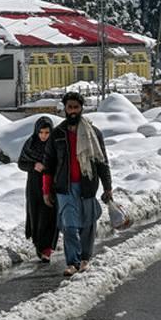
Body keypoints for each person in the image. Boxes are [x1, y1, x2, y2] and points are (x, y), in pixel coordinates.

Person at [43, 92, 113, 277]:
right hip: (64, 188)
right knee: (69, 226)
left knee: (87, 225)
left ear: (81, 108)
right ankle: (72, 262)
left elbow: (102, 162)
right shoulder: (58, 134)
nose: (73, 111)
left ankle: (85, 259)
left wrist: (108, 187)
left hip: (87, 185)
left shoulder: (93, 133)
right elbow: (48, 163)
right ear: (64, 109)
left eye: (76, 107)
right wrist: (46, 190)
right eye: (69, 107)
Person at [18, 116, 58, 263]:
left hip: (51, 184)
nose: (43, 136)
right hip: (34, 184)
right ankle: (39, 246)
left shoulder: (55, 145)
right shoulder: (30, 144)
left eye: (47, 133)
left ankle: (47, 248)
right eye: (41, 132)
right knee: (35, 215)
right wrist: (33, 165)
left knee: (49, 215)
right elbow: (21, 163)